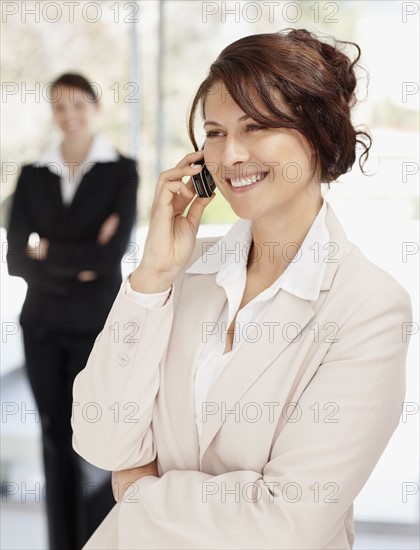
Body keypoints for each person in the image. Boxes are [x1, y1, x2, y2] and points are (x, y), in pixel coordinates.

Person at [72, 30, 412, 549]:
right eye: (214, 132)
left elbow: (286, 524)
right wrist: (152, 279)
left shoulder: (369, 307)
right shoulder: (182, 271)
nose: (231, 155)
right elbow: (100, 438)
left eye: (255, 127)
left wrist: (142, 492)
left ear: (318, 133)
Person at [6, 73, 139, 550]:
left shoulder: (121, 171)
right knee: (54, 438)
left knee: (94, 439)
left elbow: (109, 260)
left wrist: (50, 253)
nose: (70, 116)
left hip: (95, 328)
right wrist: (76, 260)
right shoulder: (33, 174)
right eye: (59, 107)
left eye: (78, 105)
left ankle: (97, 541)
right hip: (41, 327)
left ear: (96, 107)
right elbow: (16, 259)